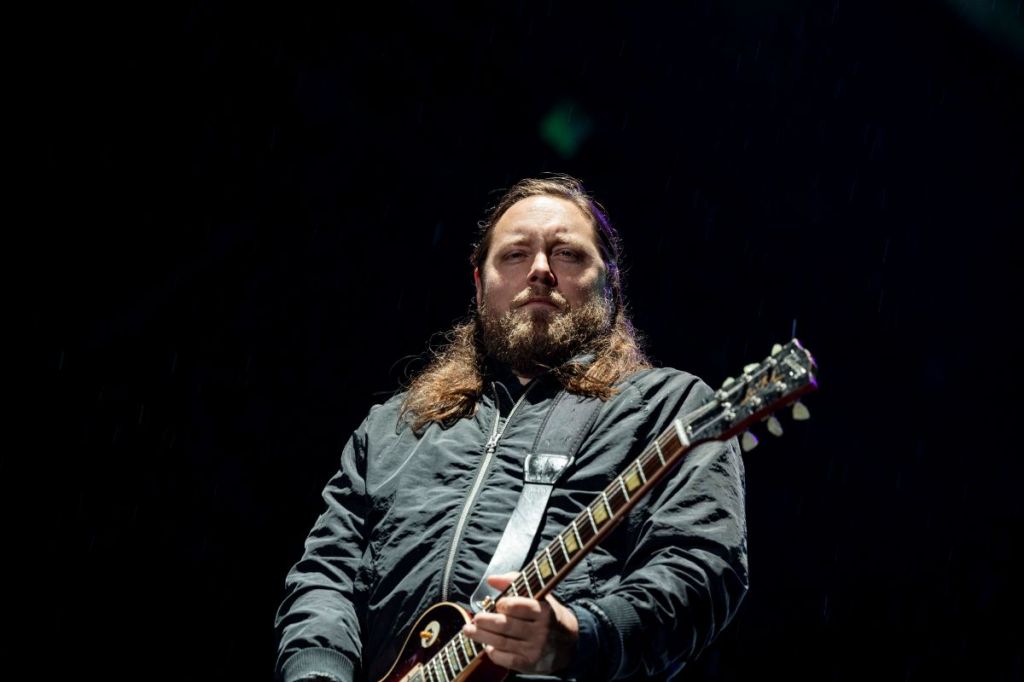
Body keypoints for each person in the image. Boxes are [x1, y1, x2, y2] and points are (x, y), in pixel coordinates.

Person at [274, 175, 749, 682]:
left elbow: (700, 565)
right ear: (480, 284)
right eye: (516, 254)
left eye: (567, 254)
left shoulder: (667, 407)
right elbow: (327, 574)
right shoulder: (395, 426)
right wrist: (317, 671)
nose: (540, 270)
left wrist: (585, 635)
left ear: (609, 284)